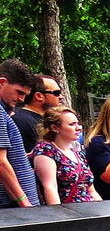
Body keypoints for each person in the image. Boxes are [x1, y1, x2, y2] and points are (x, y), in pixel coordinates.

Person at [31, 106, 100, 204]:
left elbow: (90, 189)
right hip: (68, 212)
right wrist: (60, 216)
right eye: (72, 124)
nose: (78, 128)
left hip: (89, 210)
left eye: (78, 123)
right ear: (54, 128)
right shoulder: (46, 150)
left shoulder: (78, 152)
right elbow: (50, 187)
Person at [0, 58, 39, 207]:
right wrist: (24, 203)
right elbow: (0, 164)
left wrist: (21, 157)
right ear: (2, 82)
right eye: (19, 92)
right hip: (13, 210)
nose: (22, 99)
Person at [13, 74, 61, 154]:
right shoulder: (23, 122)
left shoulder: (44, 119)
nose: (61, 96)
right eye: (56, 93)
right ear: (39, 96)